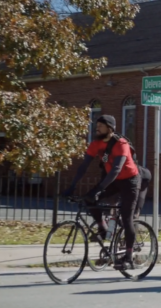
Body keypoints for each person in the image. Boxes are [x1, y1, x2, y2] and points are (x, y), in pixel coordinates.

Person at [61, 115, 140, 270]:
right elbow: (83, 166)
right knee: (89, 199)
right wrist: (72, 186)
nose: (97, 128)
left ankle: (129, 257)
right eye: (96, 126)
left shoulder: (120, 143)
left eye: (101, 126)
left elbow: (116, 170)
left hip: (130, 182)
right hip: (114, 181)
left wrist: (99, 189)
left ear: (110, 128)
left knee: (126, 216)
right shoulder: (96, 144)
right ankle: (102, 228)